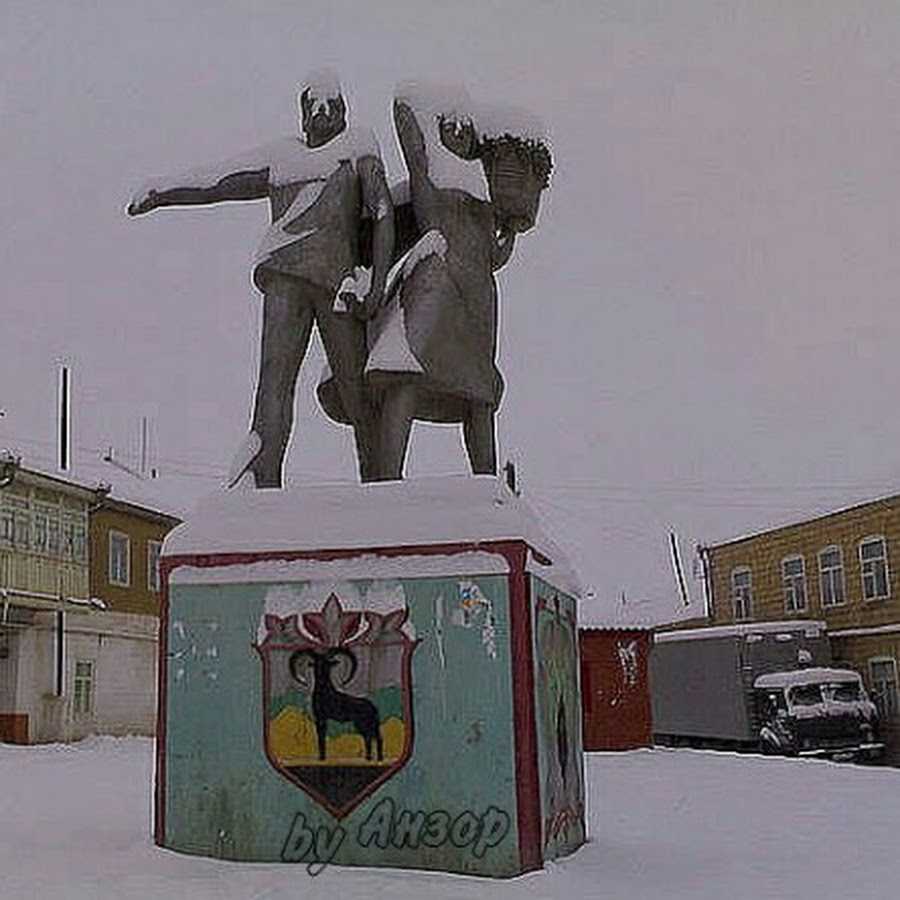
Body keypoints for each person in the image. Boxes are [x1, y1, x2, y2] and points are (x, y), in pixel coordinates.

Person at [128, 72, 394, 486]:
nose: (322, 112)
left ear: (343, 113)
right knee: (274, 380)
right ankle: (262, 468)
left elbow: (383, 213)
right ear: (303, 114)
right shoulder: (282, 156)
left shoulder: (357, 147)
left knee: (355, 386)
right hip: (283, 274)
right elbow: (218, 181)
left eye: (331, 105)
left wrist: (375, 284)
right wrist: (161, 191)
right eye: (314, 106)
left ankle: (378, 476)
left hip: (336, 284)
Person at [318, 86, 551, 481]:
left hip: (478, 296)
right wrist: (445, 114)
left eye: (465, 127)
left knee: (479, 393)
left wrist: (509, 232)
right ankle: (388, 478)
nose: (459, 131)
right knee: (404, 372)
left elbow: (492, 257)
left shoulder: (482, 191)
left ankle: (486, 483)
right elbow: (405, 107)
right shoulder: (429, 174)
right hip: (435, 283)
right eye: (451, 124)